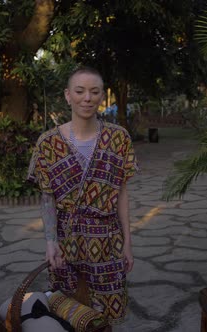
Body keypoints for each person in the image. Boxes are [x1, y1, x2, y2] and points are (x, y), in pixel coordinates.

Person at [27, 66, 138, 330]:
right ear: (68, 95)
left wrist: (128, 243)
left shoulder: (118, 138)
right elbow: (47, 198)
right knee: (69, 310)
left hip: (108, 238)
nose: (86, 98)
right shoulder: (48, 143)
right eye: (80, 91)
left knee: (105, 315)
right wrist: (51, 241)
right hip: (67, 239)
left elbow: (121, 193)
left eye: (94, 91)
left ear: (101, 96)